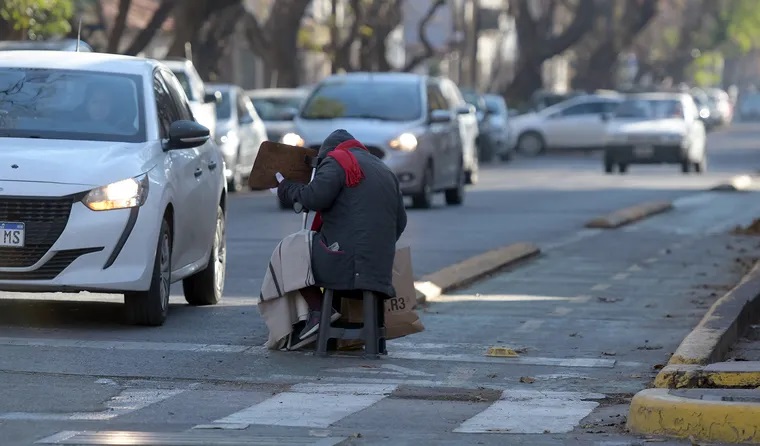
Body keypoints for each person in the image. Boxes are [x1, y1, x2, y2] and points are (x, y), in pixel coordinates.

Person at [275, 129, 407, 341]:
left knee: (289, 248)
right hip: (379, 270)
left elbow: (313, 197)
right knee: (328, 245)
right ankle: (335, 328)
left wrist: (285, 188)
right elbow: (401, 222)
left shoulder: (337, 161)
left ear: (328, 152)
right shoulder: (383, 168)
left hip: (346, 266)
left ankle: (319, 312)